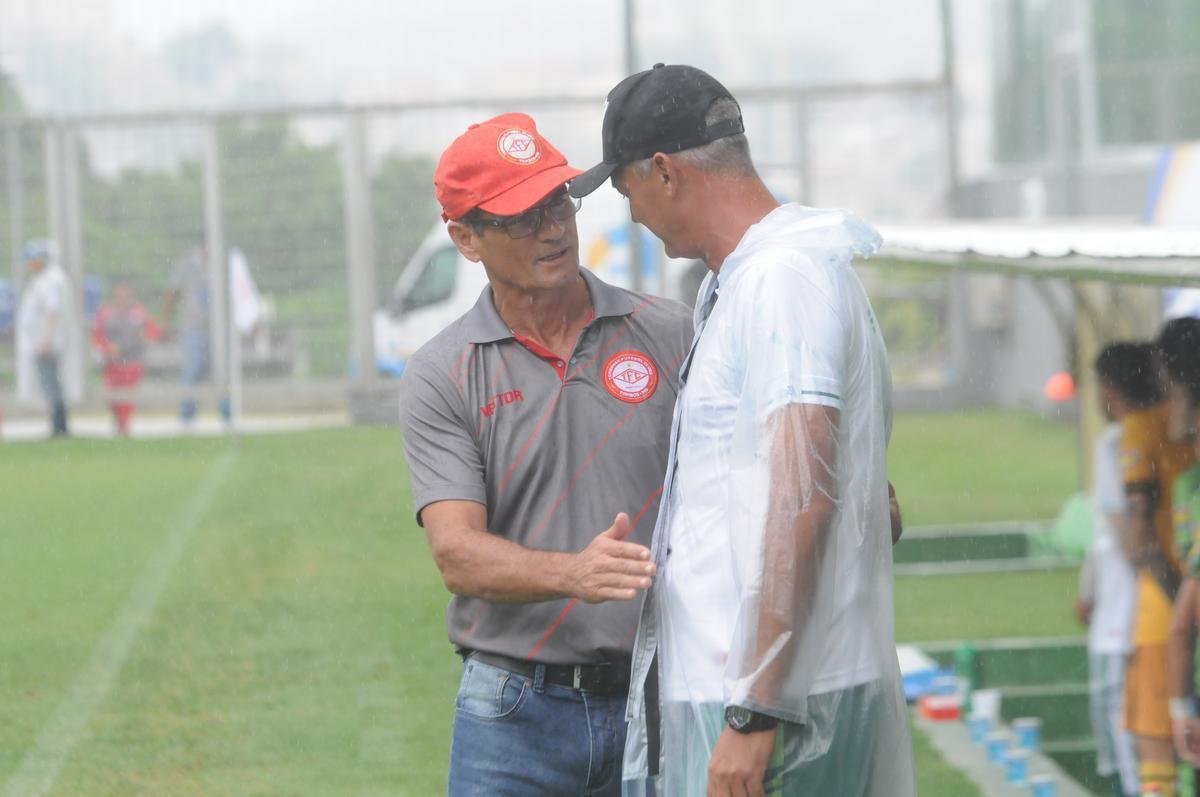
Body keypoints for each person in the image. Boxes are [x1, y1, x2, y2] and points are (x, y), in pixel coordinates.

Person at [570, 63, 915, 796]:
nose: (632, 215)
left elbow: (803, 492)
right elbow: (839, 482)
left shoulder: (781, 278)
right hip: (772, 686)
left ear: (663, 172)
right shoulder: (764, 275)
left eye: (627, 190)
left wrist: (756, 709)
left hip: (771, 702)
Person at [397, 112, 694, 796]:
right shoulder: (443, 373)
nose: (554, 227)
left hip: (663, 692)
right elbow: (457, 553)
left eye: (558, 201)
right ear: (465, 238)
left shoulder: (671, 334)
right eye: (522, 216)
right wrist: (576, 572)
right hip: (511, 715)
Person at [1118, 319, 1199, 797]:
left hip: (1167, 612)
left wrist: (1182, 597)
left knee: (1161, 754)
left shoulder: (1144, 428)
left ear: (1163, 368)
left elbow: (1139, 537)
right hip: (1183, 603)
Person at [1077, 343, 1155, 797]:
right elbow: (1106, 532)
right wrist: (1090, 585)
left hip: (1131, 619)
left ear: (1110, 389)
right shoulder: (1138, 438)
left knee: (1126, 724)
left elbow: (1129, 538)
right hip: (1124, 611)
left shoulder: (1121, 443)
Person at [162, 242, 228, 425]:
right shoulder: (188, 265)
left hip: (218, 329)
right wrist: (166, 321)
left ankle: (227, 415)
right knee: (191, 371)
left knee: (222, 370)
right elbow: (171, 292)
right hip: (194, 327)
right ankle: (186, 417)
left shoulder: (222, 265)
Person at [16, 239, 72, 437]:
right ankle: (57, 424)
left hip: (47, 342)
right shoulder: (42, 279)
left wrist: (45, 339)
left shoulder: (52, 280)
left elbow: (52, 310)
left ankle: (59, 426)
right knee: (49, 383)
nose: (29, 263)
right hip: (42, 341)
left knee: (51, 383)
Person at [92, 282, 161, 436]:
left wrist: (145, 336)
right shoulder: (106, 312)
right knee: (113, 394)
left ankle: (124, 425)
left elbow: (152, 330)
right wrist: (107, 347)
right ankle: (118, 420)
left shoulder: (138, 312)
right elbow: (97, 334)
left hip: (132, 359)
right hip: (112, 361)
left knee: (128, 395)